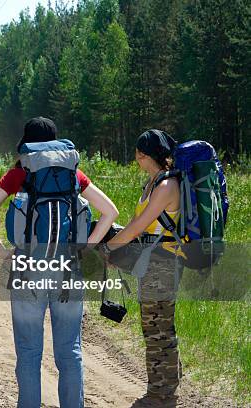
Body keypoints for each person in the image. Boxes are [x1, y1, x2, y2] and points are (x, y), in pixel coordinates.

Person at [0, 117, 119, 408]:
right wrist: (86, 247)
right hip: (68, 270)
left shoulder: (19, 173)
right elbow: (110, 212)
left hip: (27, 270)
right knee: (70, 353)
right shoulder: (72, 175)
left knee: (28, 353)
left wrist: (4, 253)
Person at [102, 129, 182, 405]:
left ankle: (162, 396)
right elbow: (146, 229)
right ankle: (162, 389)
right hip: (152, 263)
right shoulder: (153, 183)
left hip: (163, 265)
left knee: (159, 330)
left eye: (138, 155)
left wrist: (111, 246)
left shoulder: (165, 186)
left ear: (142, 154)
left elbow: (137, 228)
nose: (136, 159)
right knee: (154, 329)